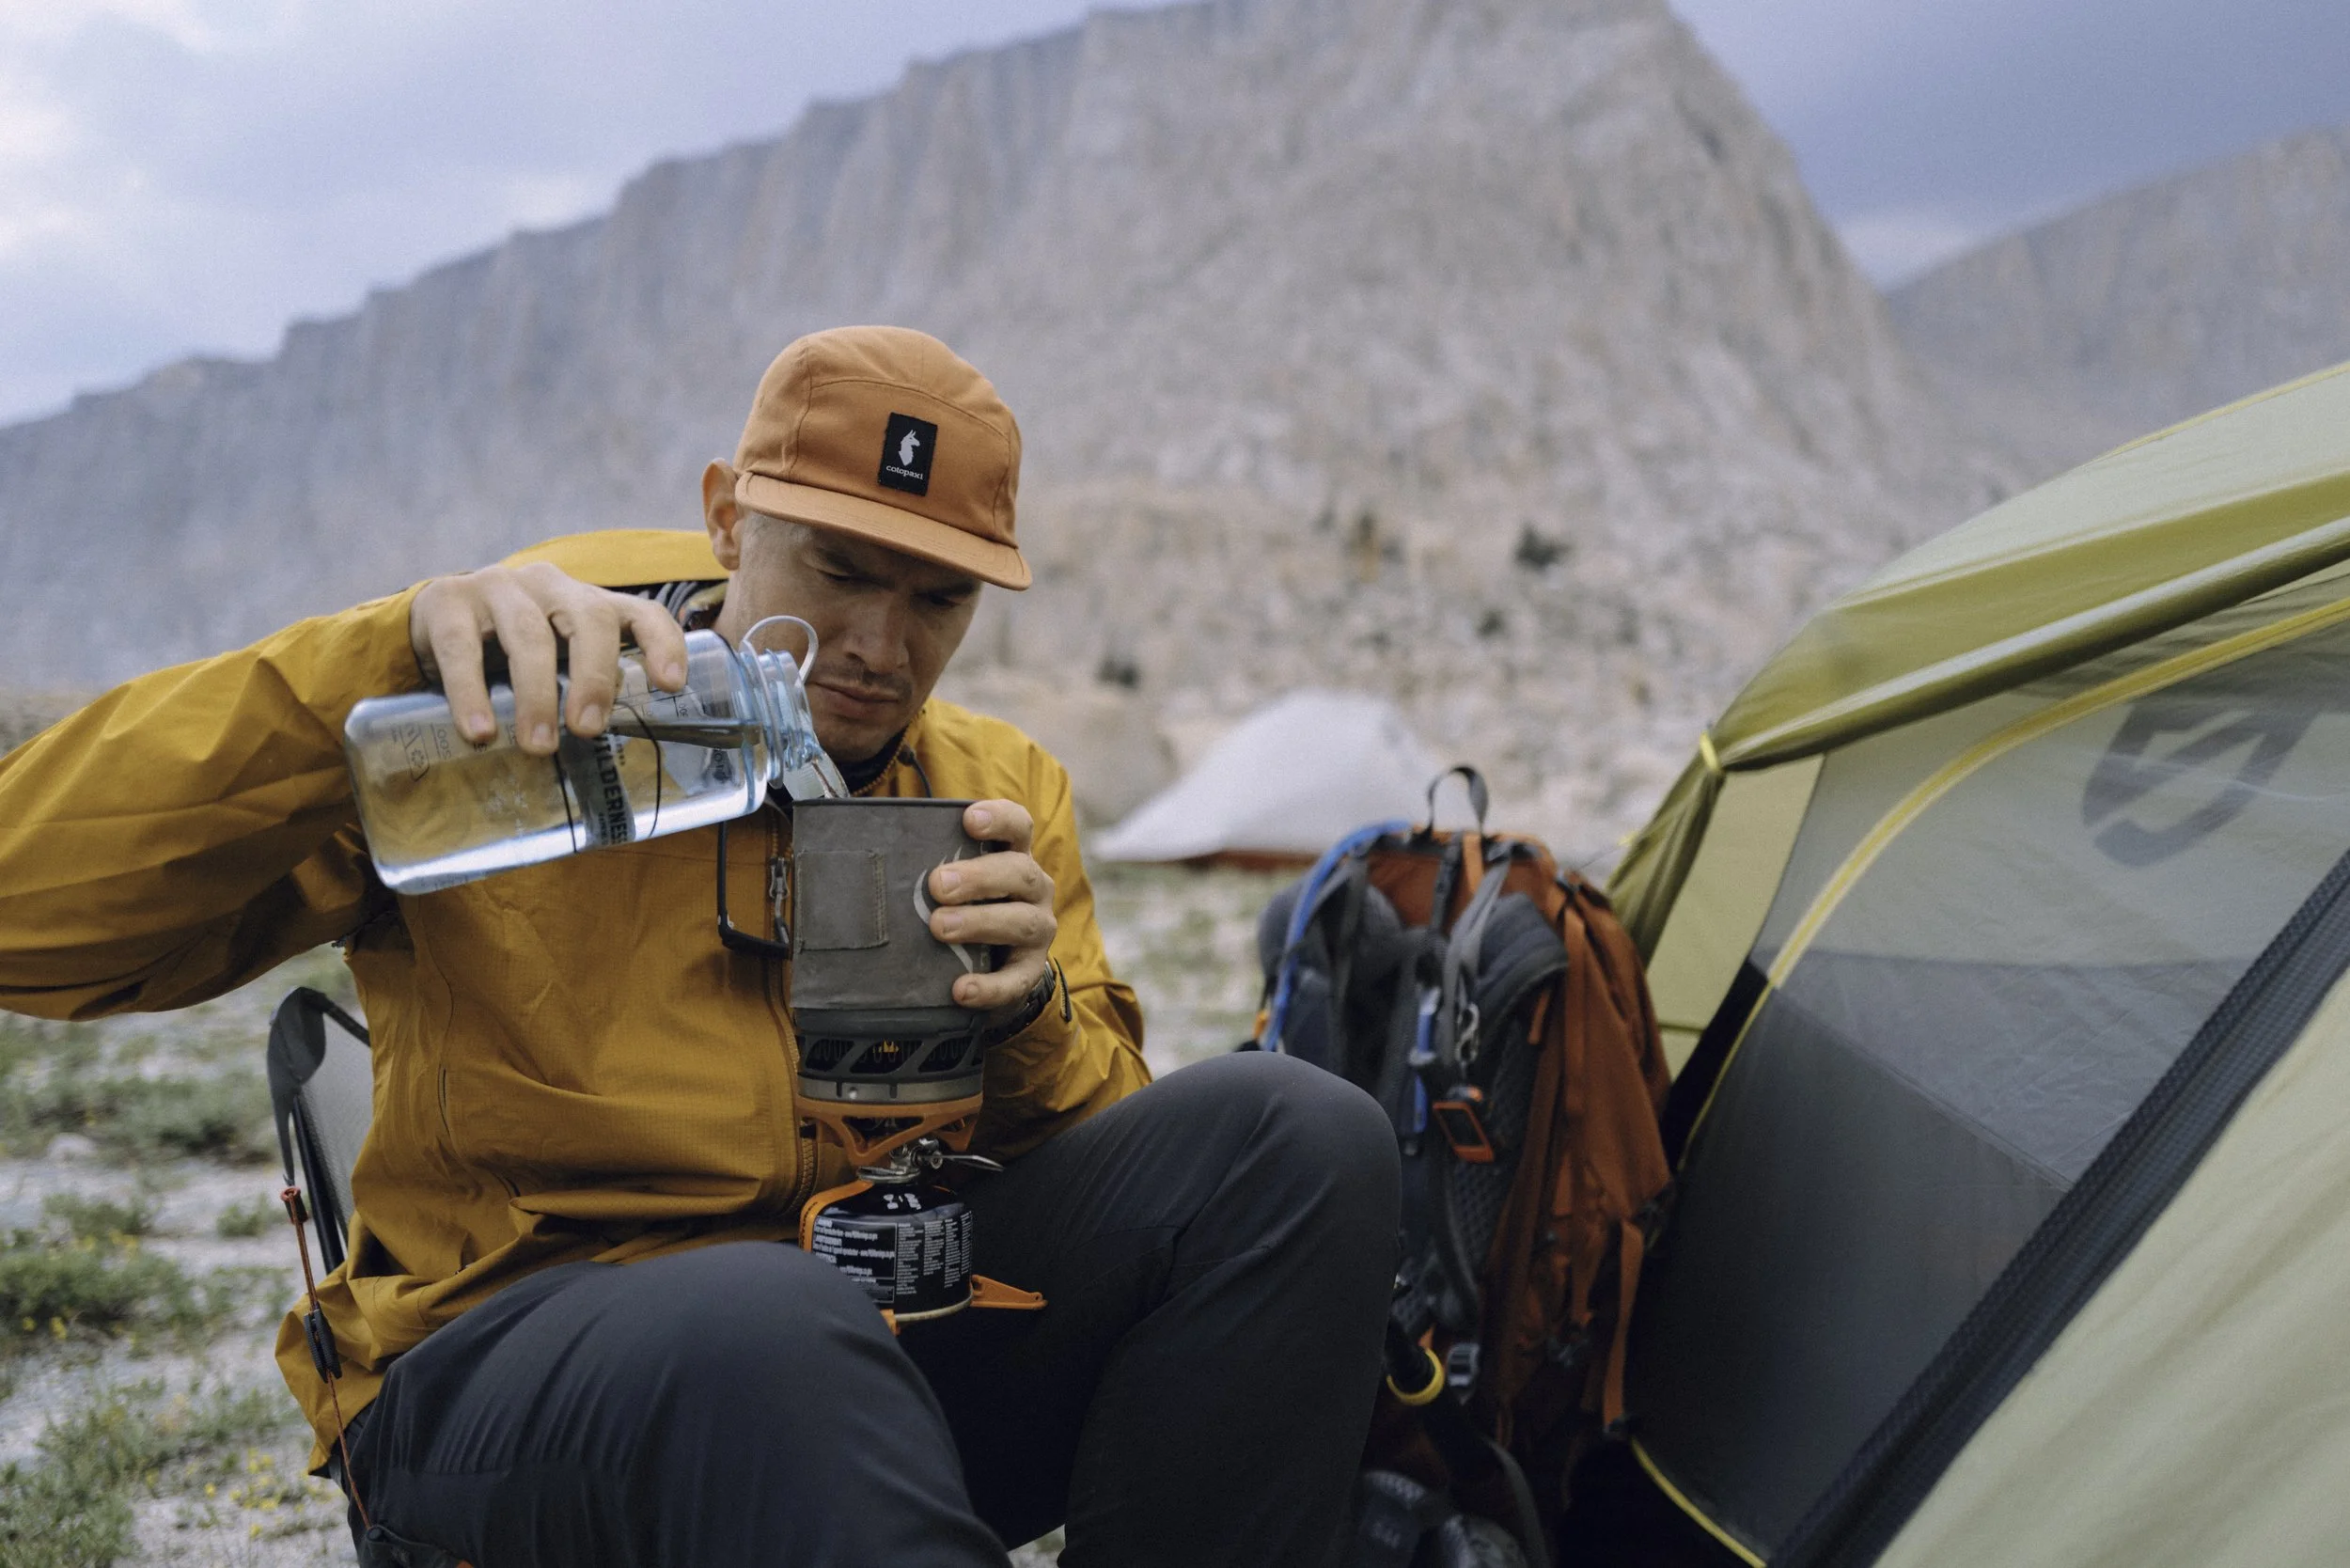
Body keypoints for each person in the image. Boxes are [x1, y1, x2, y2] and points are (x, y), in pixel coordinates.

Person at [0, 326, 1400, 1567]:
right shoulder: (501, 733)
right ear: (729, 519)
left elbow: (1116, 1171)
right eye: (840, 571)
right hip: (514, 1396)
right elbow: (29, 917)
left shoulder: (990, 785)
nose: (877, 644)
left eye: (937, 601)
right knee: (769, 1329)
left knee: (1296, 1137)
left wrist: (1026, 1020)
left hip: (862, 1374)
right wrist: (364, 673)